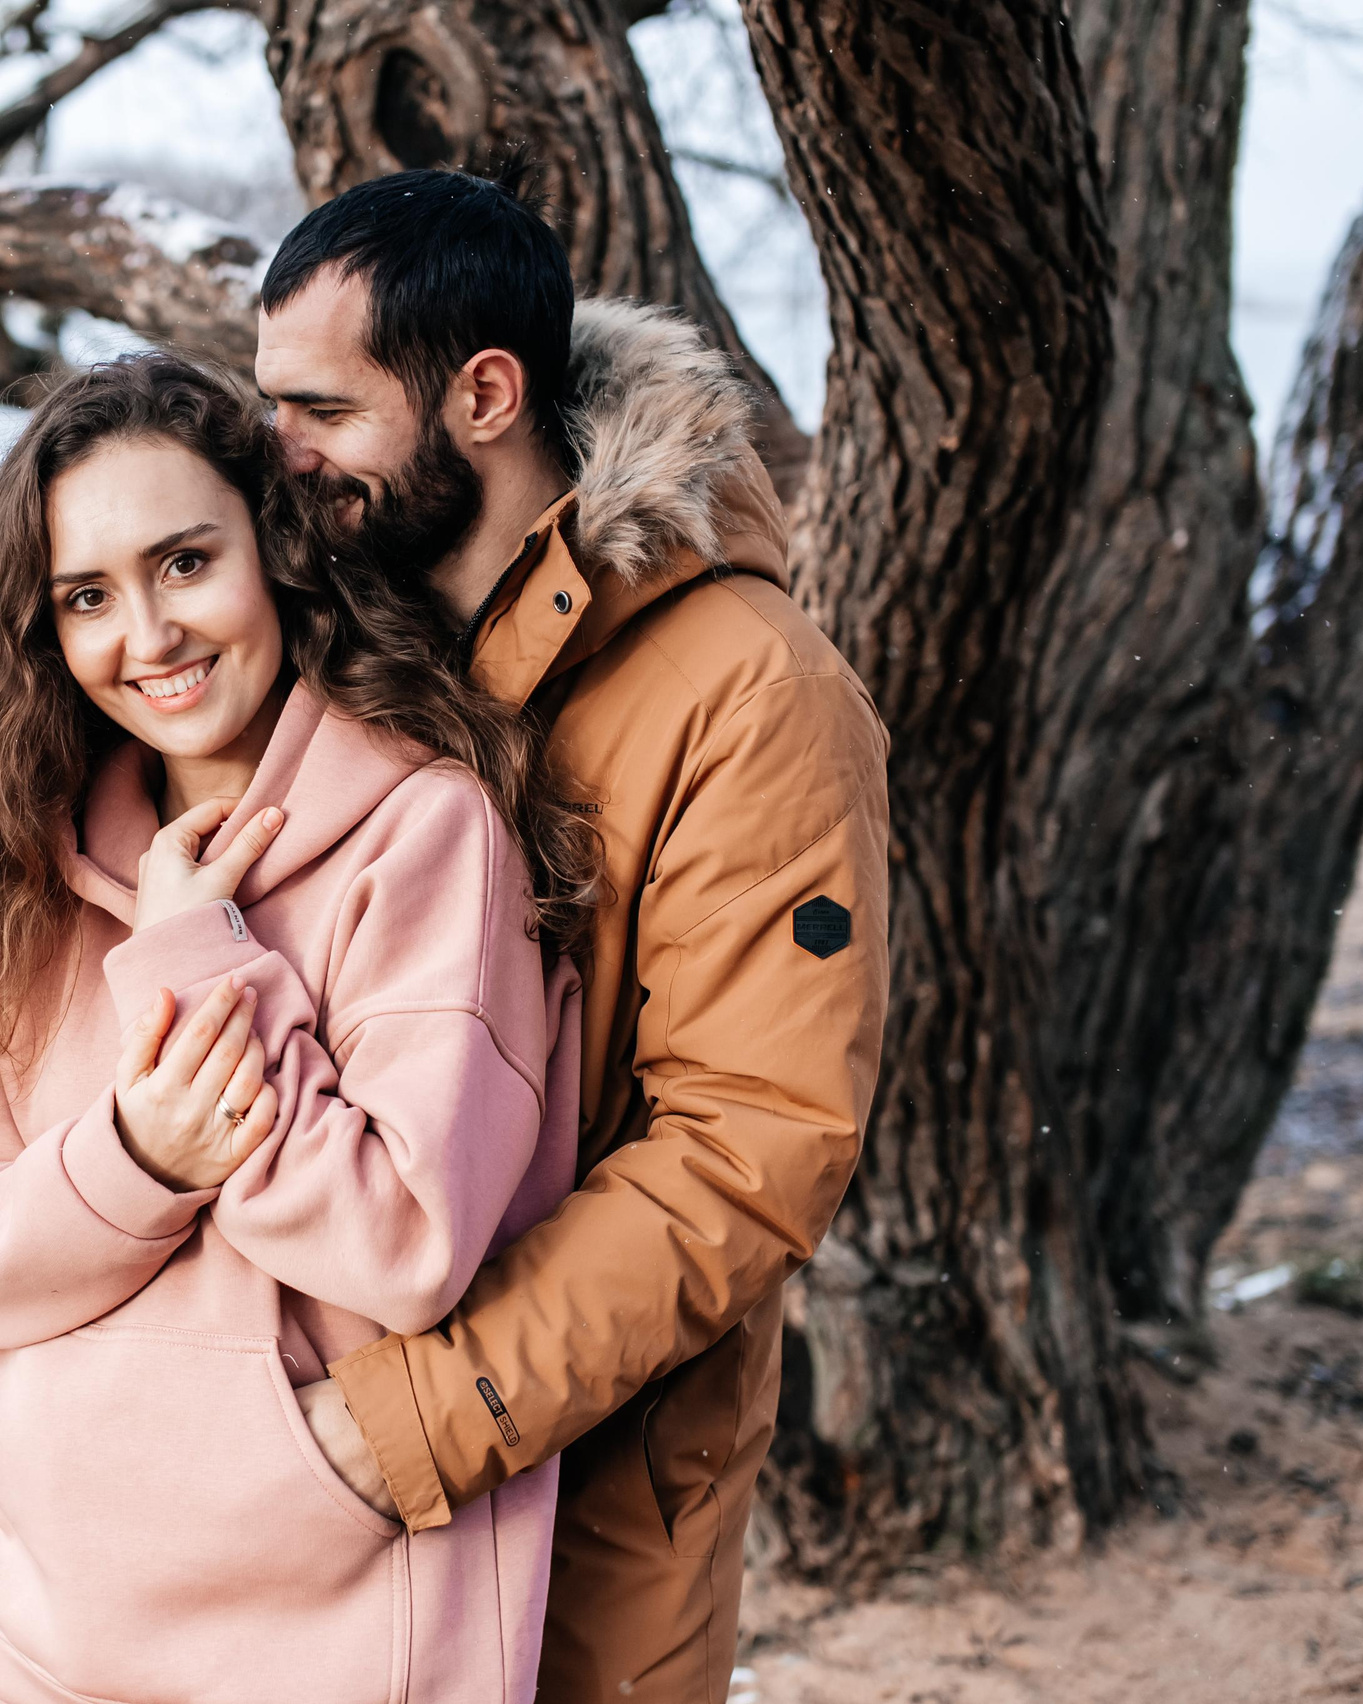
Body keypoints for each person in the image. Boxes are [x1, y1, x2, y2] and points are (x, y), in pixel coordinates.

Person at [0, 352, 605, 1704]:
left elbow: (405, 1242)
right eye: (88, 596)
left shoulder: (425, 834)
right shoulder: (15, 862)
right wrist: (139, 1161)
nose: (147, 637)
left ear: (275, 551)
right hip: (45, 1634)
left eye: (185, 562)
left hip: (330, 1634)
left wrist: (198, 958)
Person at [255, 168, 892, 1704]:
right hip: (310, 1459)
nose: (279, 463)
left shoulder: (750, 692)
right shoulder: (337, 636)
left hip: (588, 1479)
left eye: (322, 413)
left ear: (483, 394)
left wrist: (408, 1419)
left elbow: (752, 1147)